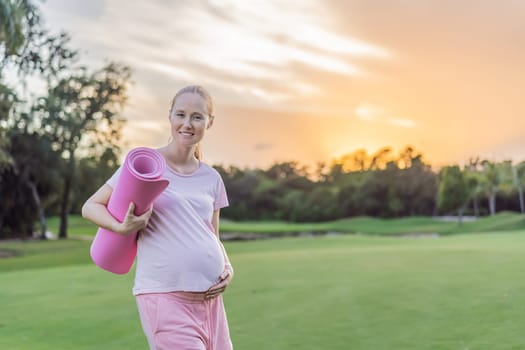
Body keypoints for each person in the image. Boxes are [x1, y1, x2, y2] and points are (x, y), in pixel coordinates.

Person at [82, 85, 234, 350]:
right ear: (170, 117)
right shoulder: (146, 164)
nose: (187, 124)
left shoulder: (212, 177)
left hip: (211, 302)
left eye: (197, 117)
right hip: (165, 297)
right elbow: (90, 206)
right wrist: (121, 226)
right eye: (181, 114)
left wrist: (227, 266)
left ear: (210, 122)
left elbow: (212, 235)